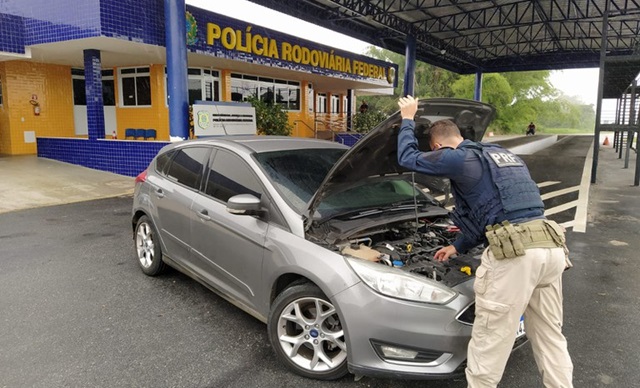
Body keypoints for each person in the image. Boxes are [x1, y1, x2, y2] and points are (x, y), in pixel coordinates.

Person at [396, 96, 573, 388]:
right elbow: (494, 208)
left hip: (517, 254)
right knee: (549, 334)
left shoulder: (456, 157)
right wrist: (457, 246)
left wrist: (407, 118)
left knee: (490, 339)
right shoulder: (500, 155)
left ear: (437, 147)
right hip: (551, 247)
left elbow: (406, 158)